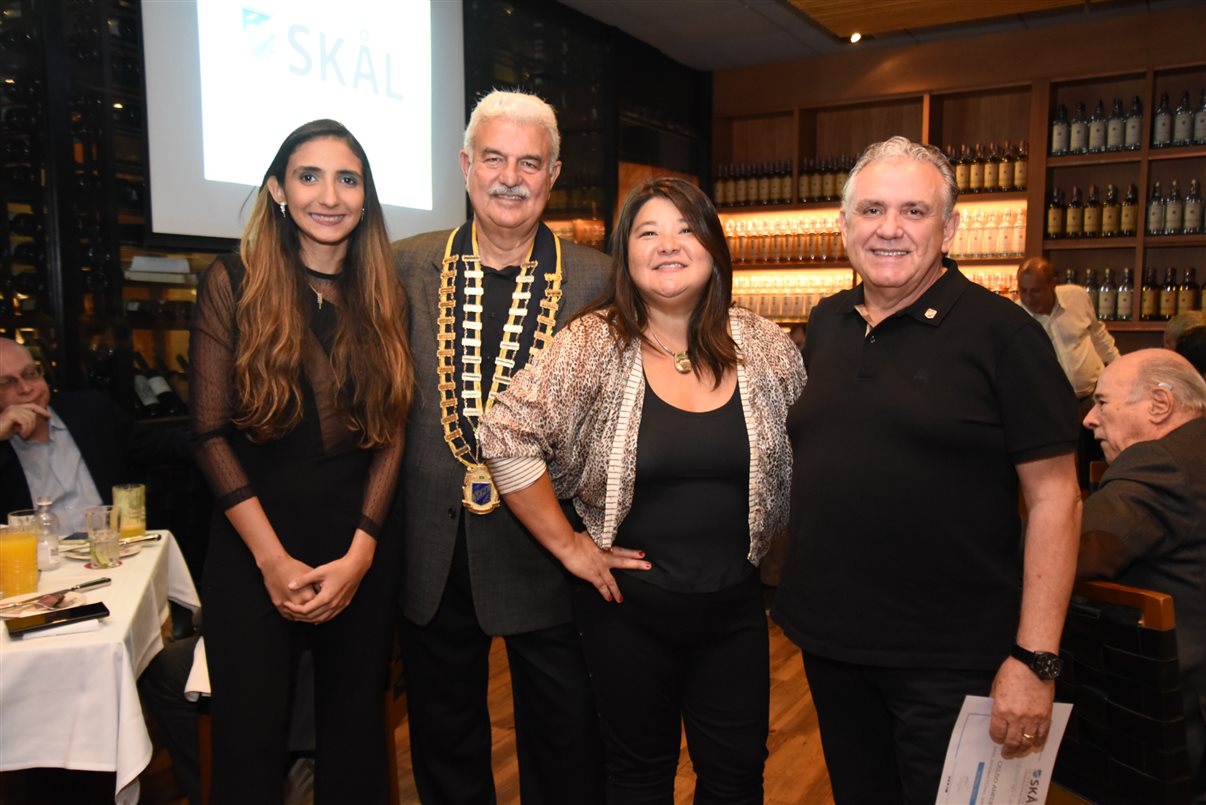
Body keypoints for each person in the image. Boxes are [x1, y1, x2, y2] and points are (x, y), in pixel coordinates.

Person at [773, 136, 1082, 804]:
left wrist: (1035, 659)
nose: (890, 228)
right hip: (833, 649)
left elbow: (1058, 497)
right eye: (873, 209)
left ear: (949, 227)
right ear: (844, 223)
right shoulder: (825, 322)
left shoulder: (1004, 335)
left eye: (914, 211)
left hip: (954, 664)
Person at [478, 176, 805, 802]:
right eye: (648, 232)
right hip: (627, 613)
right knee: (636, 780)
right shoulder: (593, 343)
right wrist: (570, 546)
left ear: (714, 247)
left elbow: (811, 445)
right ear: (625, 252)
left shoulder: (764, 346)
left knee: (738, 781)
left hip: (734, 609)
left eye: (686, 229)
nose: (668, 245)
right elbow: (505, 433)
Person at [389, 90, 609, 803]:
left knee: (565, 733)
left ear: (552, 175)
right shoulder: (402, 267)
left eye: (529, 162)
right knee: (444, 732)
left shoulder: (599, 278)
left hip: (550, 542)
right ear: (464, 166)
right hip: (432, 542)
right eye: (493, 158)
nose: (509, 177)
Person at [189, 119, 413, 804]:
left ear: (366, 196)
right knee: (248, 749)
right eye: (309, 175)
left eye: (348, 178)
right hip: (256, 554)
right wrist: (272, 560)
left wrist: (362, 553)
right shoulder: (234, 281)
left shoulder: (385, 296)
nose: (330, 194)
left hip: (357, 553)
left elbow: (393, 430)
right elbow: (208, 434)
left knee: (356, 745)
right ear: (278, 189)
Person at [1077, 349, 1206, 799]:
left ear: (1159, 404)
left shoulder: (1162, 462)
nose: (1089, 419)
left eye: (1103, 402)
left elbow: (1080, 554)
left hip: (1172, 727)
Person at [0, 337, 187, 532]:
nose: (26, 388)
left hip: (115, 549)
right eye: (6, 383)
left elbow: (165, 444)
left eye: (30, 374)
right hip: (34, 559)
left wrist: (215, 438)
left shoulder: (90, 411)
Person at [1017, 256, 1120, 484]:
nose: (1027, 298)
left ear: (1053, 283)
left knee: (1101, 463)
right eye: (1022, 291)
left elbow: (1099, 335)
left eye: (1035, 291)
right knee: (1067, 471)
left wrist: (1119, 366)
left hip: (1092, 398)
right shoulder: (1017, 316)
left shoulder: (1077, 297)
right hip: (1052, 405)